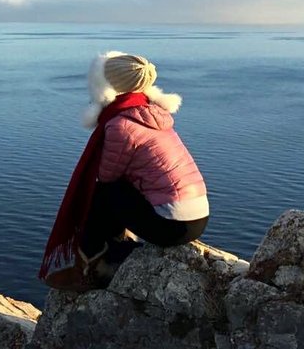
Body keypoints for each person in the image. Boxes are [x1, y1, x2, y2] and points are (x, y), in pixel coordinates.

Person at [38, 51, 209, 290]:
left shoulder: (121, 124)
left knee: (103, 192)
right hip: (196, 217)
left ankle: (92, 265)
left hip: (172, 225)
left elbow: (107, 176)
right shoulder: (150, 113)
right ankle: (109, 251)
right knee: (114, 190)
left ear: (108, 85)